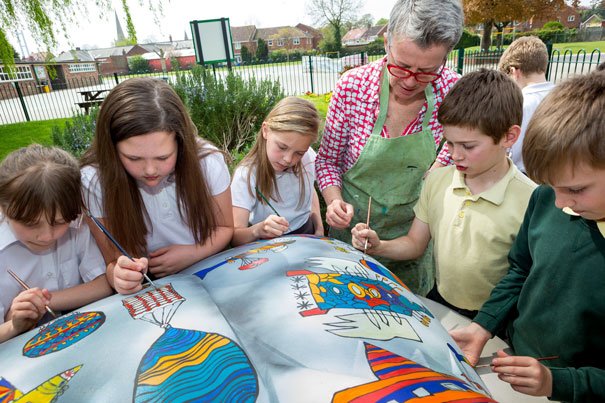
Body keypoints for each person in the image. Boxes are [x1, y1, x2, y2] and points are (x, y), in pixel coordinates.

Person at [450, 71, 605, 401]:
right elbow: (521, 269)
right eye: (553, 186)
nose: (561, 203)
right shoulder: (546, 199)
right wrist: (483, 325)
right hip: (514, 360)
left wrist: (557, 384)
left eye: (576, 189)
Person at [352, 69, 536, 318]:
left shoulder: (533, 201)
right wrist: (378, 246)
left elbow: (529, 278)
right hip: (440, 302)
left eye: (468, 146)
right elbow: (415, 244)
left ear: (508, 136)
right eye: (449, 143)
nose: (455, 155)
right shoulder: (438, 180)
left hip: (497, 318)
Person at [315, 0, 464, 296]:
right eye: (403, 66)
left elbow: (448, 166)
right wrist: (333, 202)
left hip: (411, 241)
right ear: (386, 43)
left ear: (446, 57)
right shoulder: (353, 87)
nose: (410, 81)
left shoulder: (453, 92)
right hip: (351, 238)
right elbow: (327, 161)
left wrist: (437, 172)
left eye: (426, 72)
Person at [80, 77, 233, 295]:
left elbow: (225, 228)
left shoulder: (207, 162)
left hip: (209, 267)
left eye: (163, 158)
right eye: (133, 158)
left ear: (181, 143)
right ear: (111, 149)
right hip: (149, 289)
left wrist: (193, 253)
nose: (150, 170)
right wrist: (119, 276)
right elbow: (112, 261)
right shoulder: (93, 180)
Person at [0, 144, 112, 342]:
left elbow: (103, 285)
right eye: (31, 224)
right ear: (3, 207)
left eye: (59, 222)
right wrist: (14, 325)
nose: (47, 236)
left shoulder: (77, 227)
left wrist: (43, 302)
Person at [231, 97, 324, 246]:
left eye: (299, 153)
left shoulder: (308, 156)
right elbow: (236, 236)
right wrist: (257, 230)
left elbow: (309, 189)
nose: (288, 159)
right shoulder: (246, 175)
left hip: (308, 234)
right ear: (266, 130)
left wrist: (319, 227)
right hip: (269, 245)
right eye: (282, 147)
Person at [498, 36, 555, 174]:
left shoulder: (518, 104)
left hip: (524, 176)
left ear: (514, 71)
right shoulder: (565, 96)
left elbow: (506, 151)